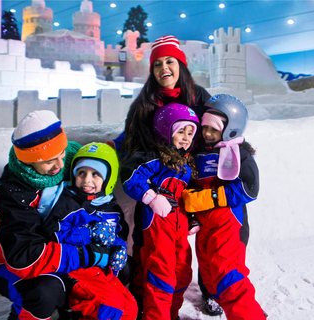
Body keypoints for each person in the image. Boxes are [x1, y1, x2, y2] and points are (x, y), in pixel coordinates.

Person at [109, 34, 224, 316]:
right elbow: (131, 140)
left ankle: (210, 290)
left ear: (181, 65)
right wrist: (107, 152)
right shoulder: (145, 102)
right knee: (149, 249)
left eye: (170, 61)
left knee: (208, 240)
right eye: (157, 64)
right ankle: (143, 302)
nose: (164, 69)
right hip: (155, 180)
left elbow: (219, 129)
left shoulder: (198, 96)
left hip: (192, 176)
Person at [0, 110, 114, 320]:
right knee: (44, 291)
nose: (60, 165)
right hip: (11, 264)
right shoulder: (13, 192)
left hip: (59, 250)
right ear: (29, 160)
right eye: (49, 160)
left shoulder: (71, 160)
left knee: (115, 272)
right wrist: (85, 255)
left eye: (61, 154)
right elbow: (23, 257)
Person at [182, 94, 268, 320]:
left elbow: (250, 189)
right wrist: (191, 207)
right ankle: (217, 297)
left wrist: (210, 197)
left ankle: (248, 315)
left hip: (229, 222)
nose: (207, 134)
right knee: (209, 271)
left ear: (231, 128)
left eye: (214, 129)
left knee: (227, 273)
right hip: (204, 224)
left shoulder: (238, 153)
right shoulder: (198, 150)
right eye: (205, 127)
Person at [41, 142, 138, 319]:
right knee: (112, 310)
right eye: (81, 173)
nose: (86, 180)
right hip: (74, 268)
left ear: (108, 178)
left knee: (130, 308)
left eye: (95, 174)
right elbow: (52, 233)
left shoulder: (110, 207)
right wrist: (89, 233)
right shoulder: (68, 203)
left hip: (100, 268)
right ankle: (71, 311)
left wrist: (118, 247)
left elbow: (116, 233)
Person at [120, 103, 199, 320]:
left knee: (182, 274)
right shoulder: (155, 157)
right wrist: (152, 197)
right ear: (165, 129)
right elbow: (130, 176)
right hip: (157, 225)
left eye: (190, 132)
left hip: (179, 227)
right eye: (180, 130)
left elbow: (187, 194)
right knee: (160, 275)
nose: (186, 137)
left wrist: (192, 218)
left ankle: (170, 314)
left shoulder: (185, 165)